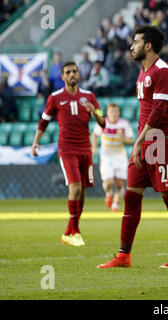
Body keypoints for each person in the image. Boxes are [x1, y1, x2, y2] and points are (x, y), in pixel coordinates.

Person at [97, 25, 168, 269]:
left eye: (135, 42)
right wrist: (139, 140)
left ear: (148, 46)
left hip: (163, 140)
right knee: (131, 194)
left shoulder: (163, 72)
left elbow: (158, 113)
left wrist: (138, 141)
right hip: (144, 140)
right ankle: (123, 255)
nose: (131, 46)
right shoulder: (142, 71)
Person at [31, 62, 105, 246]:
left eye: (75, 71)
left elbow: (103, 122)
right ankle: (76, 231)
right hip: (67, 148)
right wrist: (35, 142)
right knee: (76, 188)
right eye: (68, 72)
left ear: (79, 75)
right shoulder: (55, 97)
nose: (72, 74)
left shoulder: (89, 96)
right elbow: (43, 122)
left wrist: (93, 113)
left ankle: (69, 231)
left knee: (83, 191)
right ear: (63, 77)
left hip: (85, 149)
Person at [92, 103, 134, 212]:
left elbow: (130, 140)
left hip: (120, 155)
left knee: (120, 183)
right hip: (106, 156)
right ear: (107, 113)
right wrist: (94, 147)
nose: (114, 114)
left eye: (116, 111)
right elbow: (95, 135)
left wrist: (122, 138)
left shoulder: (124, 123)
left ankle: (115, 204)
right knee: (109, 183)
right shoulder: (102, 123)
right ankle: (108, 192)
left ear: (119, 112)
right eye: (111, 111)